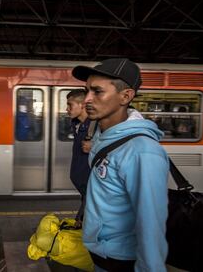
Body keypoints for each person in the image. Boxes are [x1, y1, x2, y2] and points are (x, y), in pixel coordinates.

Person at [71, 58, 169, 271]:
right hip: (101, 256)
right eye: (86, 90)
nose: (87, 99)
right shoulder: (101, 136)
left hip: (122, 262)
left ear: (126, 96)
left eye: (97, 92)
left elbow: (151, 224)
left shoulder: (142, 151)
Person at [66, 89, 92, 227]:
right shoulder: (77, 124)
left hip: (91, 189)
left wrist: (95, 146)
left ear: (82, 105)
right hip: (83, 188)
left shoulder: (95, 126)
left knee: (82, 224)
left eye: (70, 105)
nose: (67, 109)